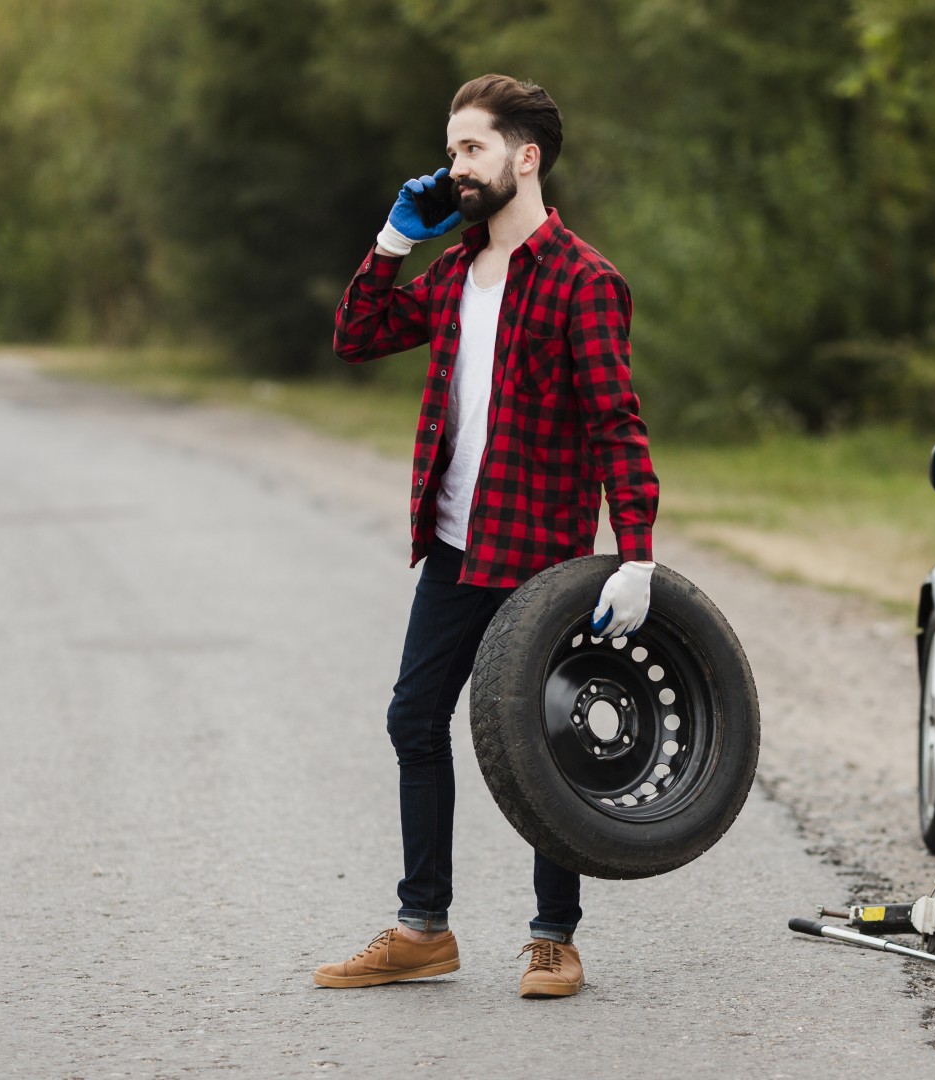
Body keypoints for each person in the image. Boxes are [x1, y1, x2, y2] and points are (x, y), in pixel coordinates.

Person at [314, 74, 659, 998]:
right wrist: (394, 240)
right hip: (459, 548)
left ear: (526, 156)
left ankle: (555, 938)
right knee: (414, 721)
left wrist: (635, 554)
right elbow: (356, 334)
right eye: (452, 148)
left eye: (471, 149)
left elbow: (617, 424)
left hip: (544, 560)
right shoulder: (458, 269)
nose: (452, 167)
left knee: (544, 740)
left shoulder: (586, 281)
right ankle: (423, 928)